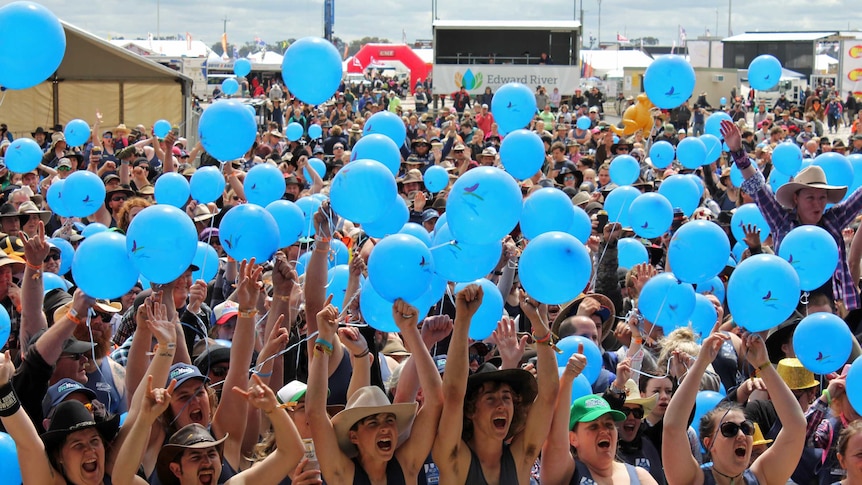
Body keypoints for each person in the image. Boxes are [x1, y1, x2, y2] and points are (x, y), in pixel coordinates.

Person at [723, 119, 862, 311]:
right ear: (796, 199)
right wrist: (738, 152)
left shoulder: (833, 220)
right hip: (789, 308)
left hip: (833, 307)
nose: (818, 203)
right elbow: (758, 188)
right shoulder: (782, 221)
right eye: (810, 197)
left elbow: (859, 198)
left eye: (822, 198)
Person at [307, 296, 443, 484]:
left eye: (389, 419)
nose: (385, 428)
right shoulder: (342, 475)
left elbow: (435, 400)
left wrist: (410, 331)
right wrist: (324, 338)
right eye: (372, 423)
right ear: (353, 436)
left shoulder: (406, 467)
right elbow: (315, 412)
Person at [433, 286, 558, 484]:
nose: (501, 405)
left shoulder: (520, 459)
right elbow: (454, 395)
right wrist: (463, 319)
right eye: (490, 398)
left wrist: (539, 323)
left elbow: (549, 395)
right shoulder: (455, 459)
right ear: (471, 411)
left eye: (507, 397)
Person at [662, 329, 806, 485]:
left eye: (746, 428)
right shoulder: (693, 480)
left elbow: (796, 426)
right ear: (709, 443)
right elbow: (673, 427)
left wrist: (764, 365)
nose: (741, 435)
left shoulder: (762, 478)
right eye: (729, 429)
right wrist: (701, 363)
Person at [0, 350, 120, 485]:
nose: (89, 449)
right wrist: (3, 389)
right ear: (59, 456)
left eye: (94, 440)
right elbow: (30, 445)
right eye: (78, 445)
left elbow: (137, 417)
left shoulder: (121, 478)